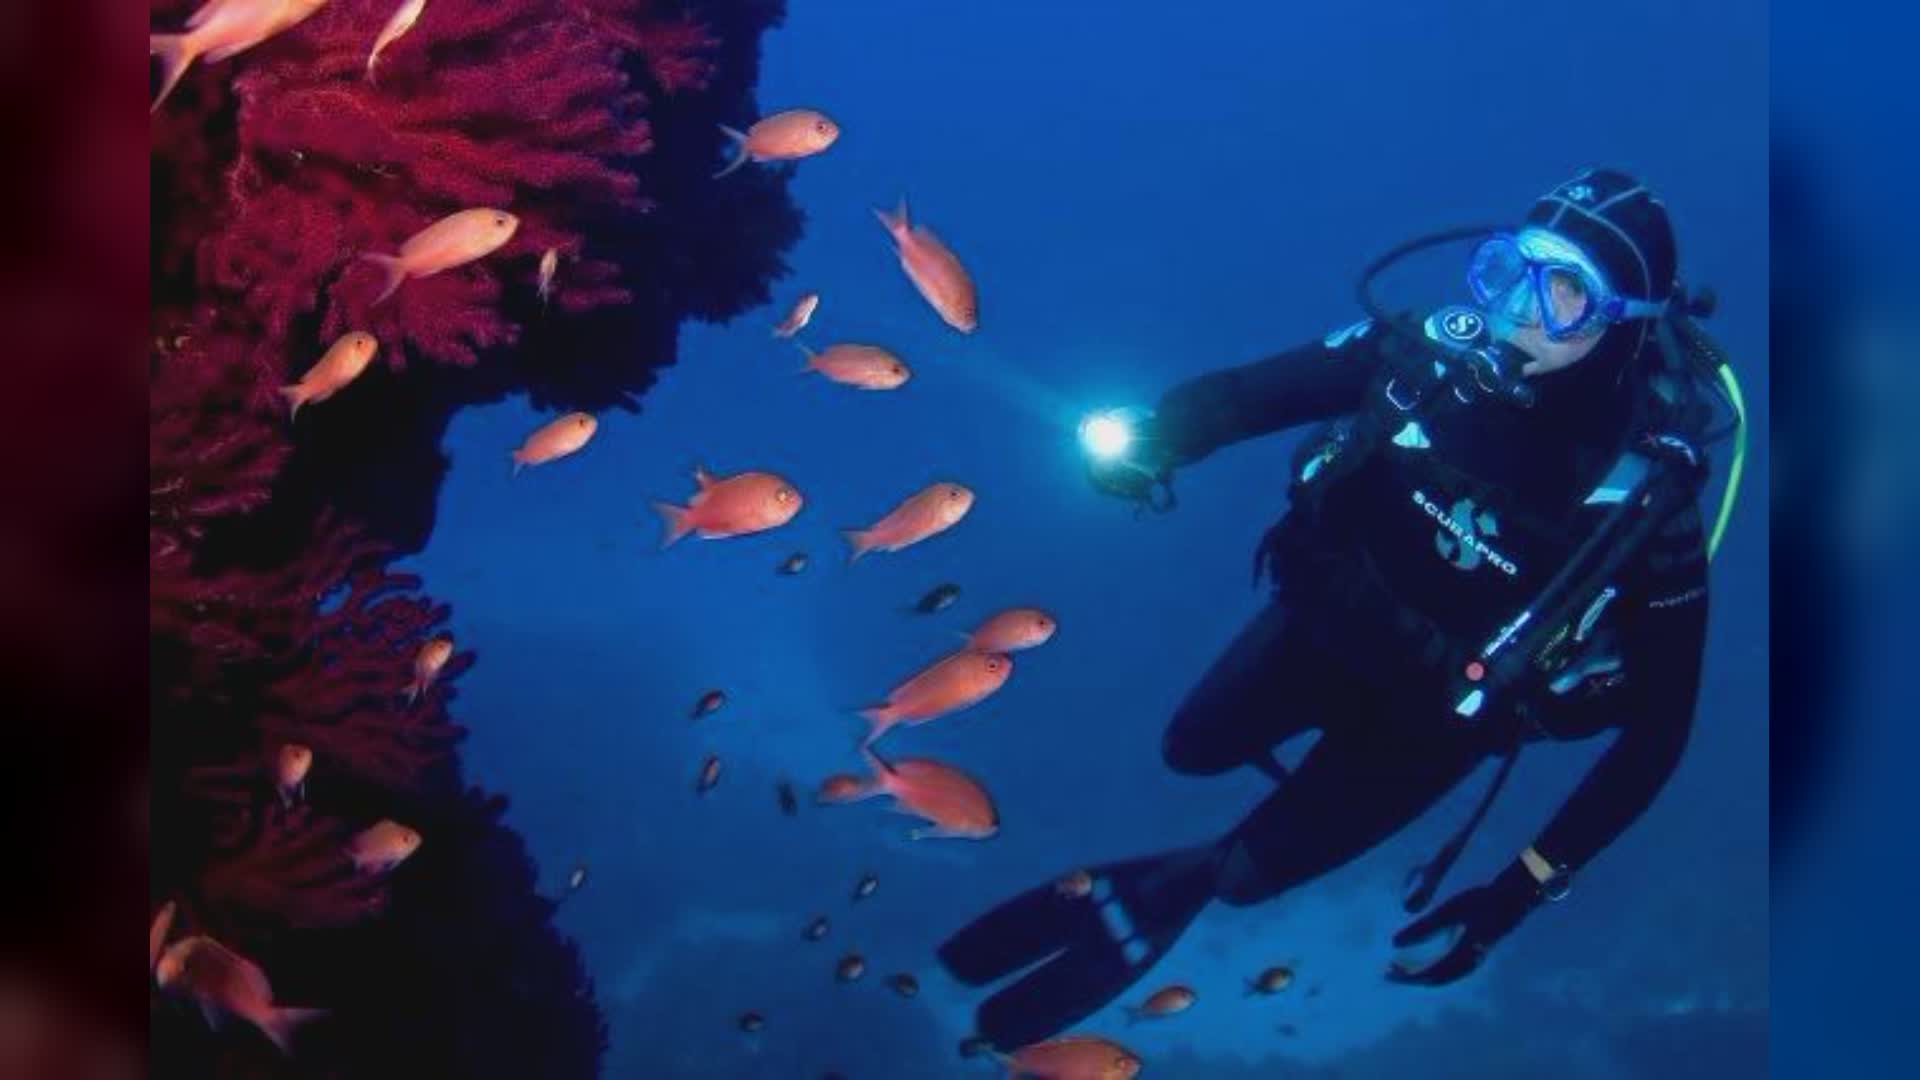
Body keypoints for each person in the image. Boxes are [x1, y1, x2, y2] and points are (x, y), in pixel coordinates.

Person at [937, 168, 1744, 1051]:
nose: (1522, 310)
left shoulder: (1643, 498)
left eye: (1567, 293)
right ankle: (1196, 869)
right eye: (1515, 269)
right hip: (1332, 622)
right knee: (1190, 747)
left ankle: (1175, 888)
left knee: (1243, 878)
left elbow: (1660, 730)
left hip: (1437, 718)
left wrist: (1518, 891)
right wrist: (1157, 442)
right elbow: (1248, 397)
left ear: (1629, 322)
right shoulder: (1432, 355)